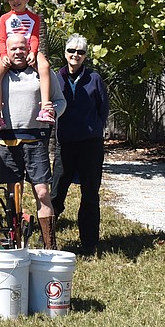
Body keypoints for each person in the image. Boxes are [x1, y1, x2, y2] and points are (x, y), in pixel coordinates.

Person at [0, 33, 67, 249]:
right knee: (13, 195)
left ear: (29, 47)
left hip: (36, 139)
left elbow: (60, 101)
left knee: (43, 192)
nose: (18, 52)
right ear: (6, 51)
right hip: (8, 140)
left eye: (22, 47)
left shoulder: (41, 72)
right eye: (13, 48)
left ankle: (49, 244)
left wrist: (52, 111)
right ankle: (15, 241)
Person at [51, 34, 109, 256]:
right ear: (65, 53)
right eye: (71, 51)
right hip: (65, 143)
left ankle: (89, 243)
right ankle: (48, 238)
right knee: (57, 192)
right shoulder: (56, 78)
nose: (75, 55)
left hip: (90, 144)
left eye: (80, 52)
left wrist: (92, 128)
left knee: (90, 194)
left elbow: (102, 110)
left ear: (85, 56)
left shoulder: (94, 79)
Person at [0, 0, 55, 133]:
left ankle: (45, 108)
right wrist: (3, 55)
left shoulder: (34, 18)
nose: (16, 1)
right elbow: (1, 39)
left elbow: (35, 37)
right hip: (9, 50)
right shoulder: (5, 18)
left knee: (45, 67)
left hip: (29, 50)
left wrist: (33, 52)